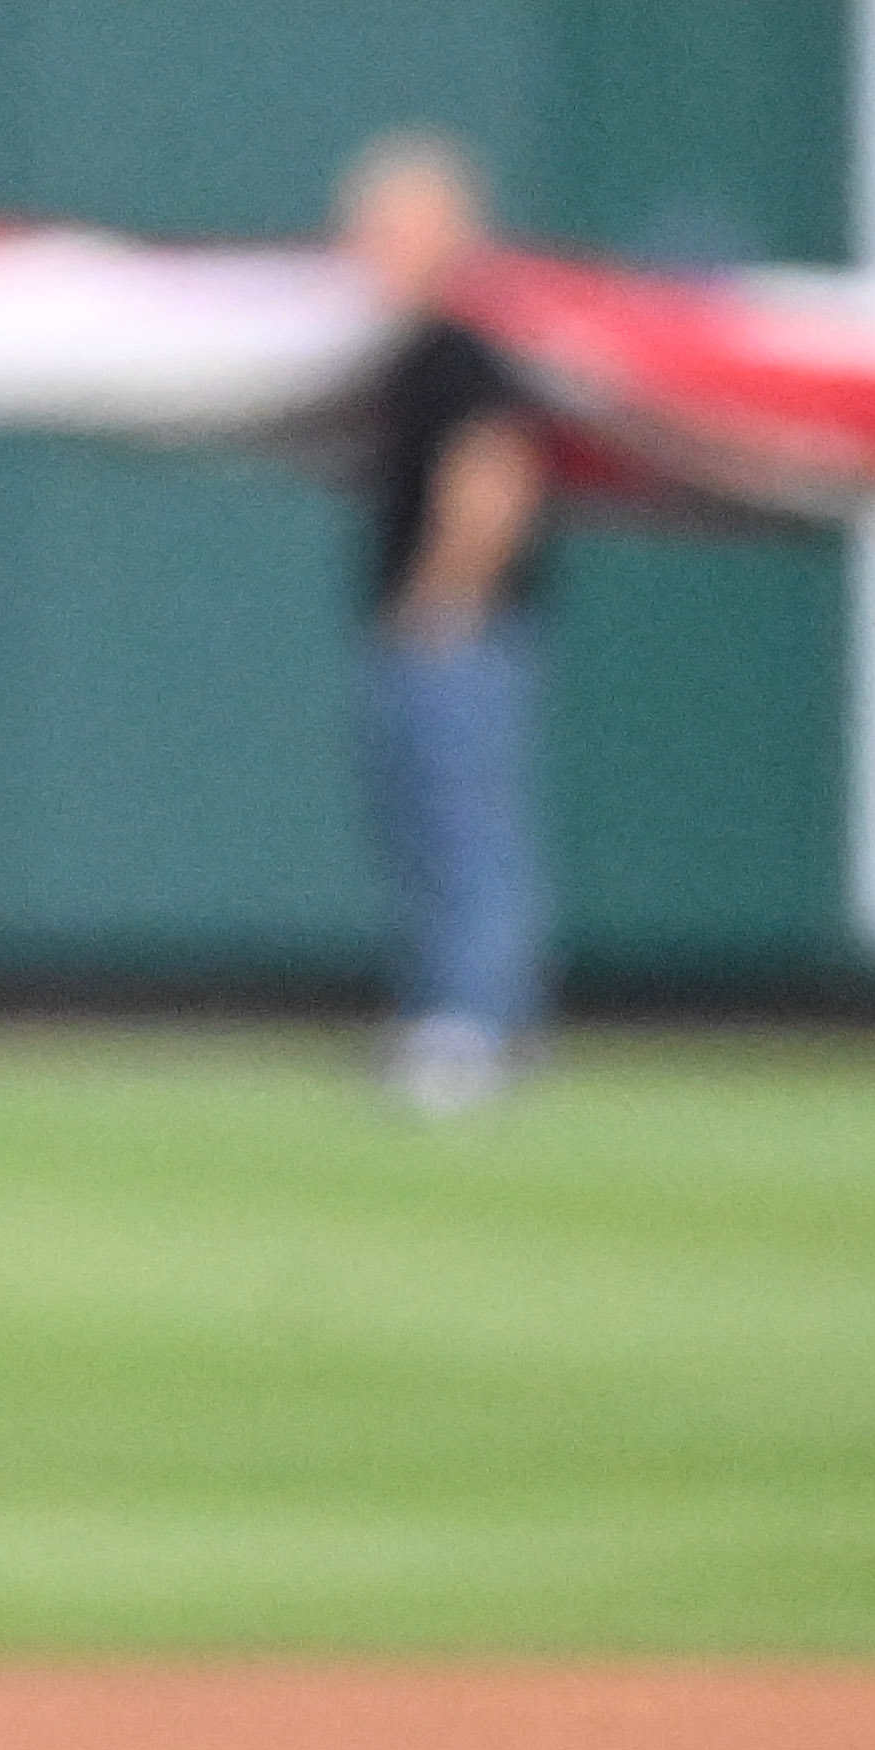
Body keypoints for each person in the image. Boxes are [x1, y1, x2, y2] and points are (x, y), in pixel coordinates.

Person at [342, 130, 552, 1123]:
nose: (365, 242)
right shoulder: (403, 351)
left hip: (455, 631)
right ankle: (439, 1013)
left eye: (388, 224)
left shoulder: (465, 347)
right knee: (420, 831)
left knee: (466, 830)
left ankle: (478, 1021)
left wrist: (442, 597)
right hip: (419, 629)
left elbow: (494, 480)